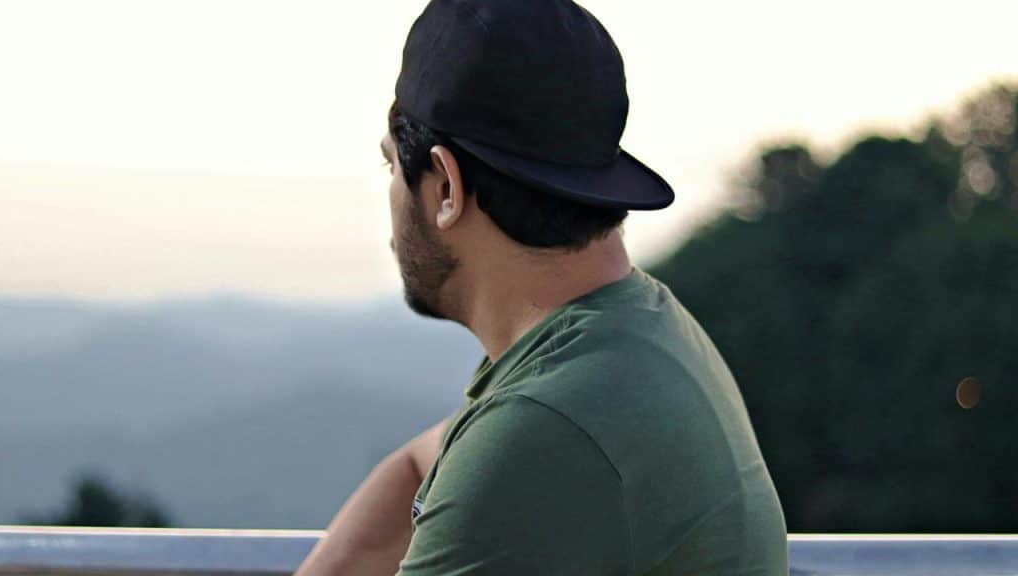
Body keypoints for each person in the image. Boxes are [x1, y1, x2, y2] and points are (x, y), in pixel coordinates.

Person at [295, 1, 788, 574]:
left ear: (446, 187)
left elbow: (494, 463)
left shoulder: (547, 426)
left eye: (391, 167)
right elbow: (416, 469)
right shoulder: (637, 330)